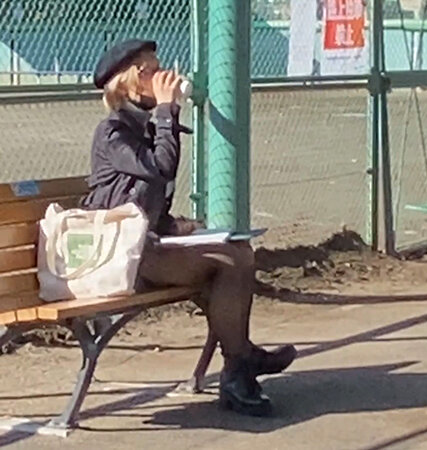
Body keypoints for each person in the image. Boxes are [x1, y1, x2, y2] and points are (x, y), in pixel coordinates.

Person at [83, 39, 296, 417]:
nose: (164, 75)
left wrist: (186, 230)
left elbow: (154, 199)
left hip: (144, 245)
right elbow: (160, 168)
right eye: (153, 69)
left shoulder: (144, 125)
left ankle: (239, 366)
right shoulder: (113, 131)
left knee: (239, 252)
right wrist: (167, 110)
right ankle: (241, 365)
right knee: (228, 262)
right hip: (121, 255)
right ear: (132, 79)